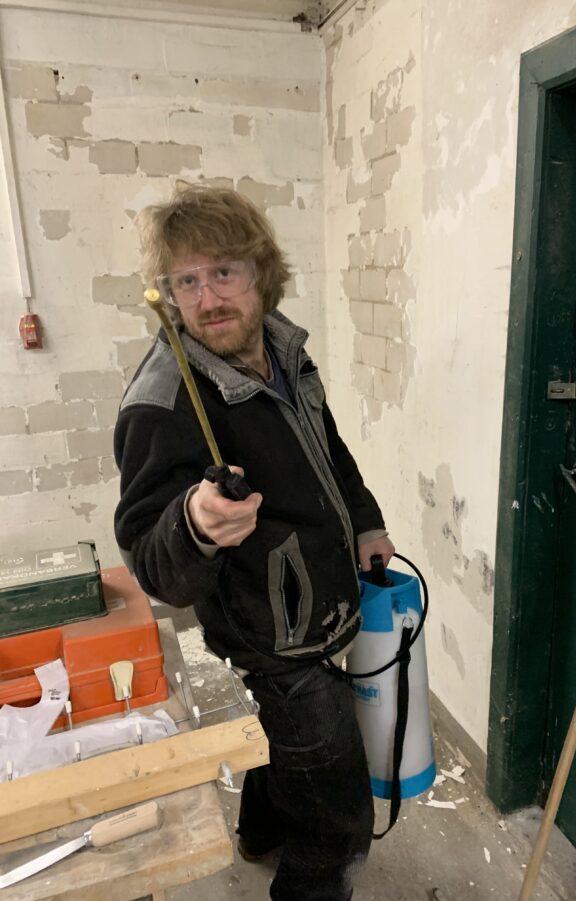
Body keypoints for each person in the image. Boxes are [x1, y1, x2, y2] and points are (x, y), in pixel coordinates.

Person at [114, 182, 395, 901]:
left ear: (261, 272)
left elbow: (328, 449)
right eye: (186, 281)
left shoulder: (282, 346)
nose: (207, 298)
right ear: (166, 293)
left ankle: (260, 835)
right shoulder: (163, 402)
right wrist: (195, 525)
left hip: (322, 606)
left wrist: (364, 518)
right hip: (271, 638)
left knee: (285, 747)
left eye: (223, 272)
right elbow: (153, 562)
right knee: (338, 819)